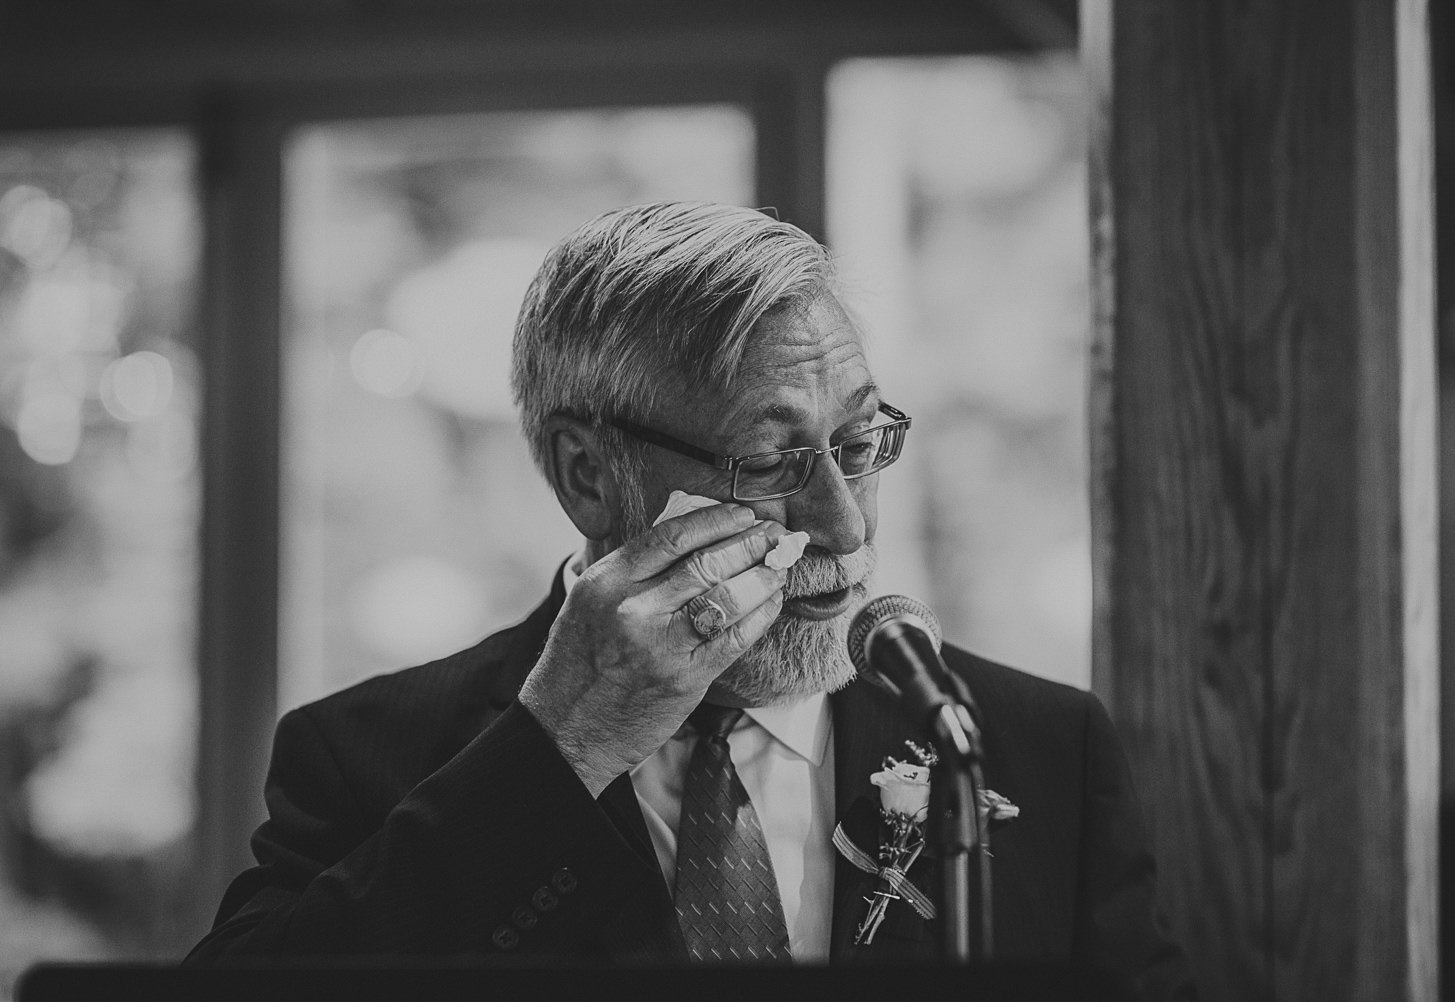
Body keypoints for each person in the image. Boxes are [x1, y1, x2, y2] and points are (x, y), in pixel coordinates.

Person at [186, 201, 1193, 996]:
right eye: (769, 461)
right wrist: (562, 747)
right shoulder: (369, 754)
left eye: (858, 444)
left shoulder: (1034, 747)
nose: (844, 525)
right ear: (589, 474)